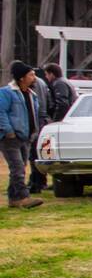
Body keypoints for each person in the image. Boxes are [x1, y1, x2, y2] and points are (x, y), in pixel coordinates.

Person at [1, 62, 44, 209]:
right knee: (18, 167)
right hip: (11, 138)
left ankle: (13, 198)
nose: (34, 77)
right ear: (21, 78)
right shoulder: (7, 93)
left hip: (26, 136)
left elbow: (34, 114)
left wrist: (34, 131)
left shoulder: (31, 94)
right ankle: (23, 197)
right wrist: (8, 131)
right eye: (31, 74)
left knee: (20, 167)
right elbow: (1, 112)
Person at [27, 66, 51, 195]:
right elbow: (49, 101)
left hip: (37, 119)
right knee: (38, 152)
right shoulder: (42, 82)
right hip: (43, 118)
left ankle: (36, 183)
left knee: (33, 154)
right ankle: (39, 181)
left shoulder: (34, 84)